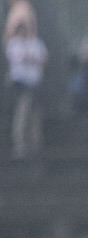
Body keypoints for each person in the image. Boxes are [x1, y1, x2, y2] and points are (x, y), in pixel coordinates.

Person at [6, 17, 45, 159]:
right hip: (21, 83)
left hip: (35, 82)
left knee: (35, 114)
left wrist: (32, 58)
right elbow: (23, 58)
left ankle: (34, 144)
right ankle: (20, 145)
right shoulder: (14, 44)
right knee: (22, 113)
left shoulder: (34, 43)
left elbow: (42, 59)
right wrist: (32, 58)